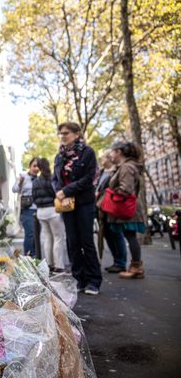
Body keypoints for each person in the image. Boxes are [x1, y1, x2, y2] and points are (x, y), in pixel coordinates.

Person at [53, 122, 102, 295]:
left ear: (76, 134)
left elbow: (89, 178)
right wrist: (59, 191)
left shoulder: (87, 152)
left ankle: (94, 281)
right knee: (72, 242)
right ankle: (79, 279)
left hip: (84, 202)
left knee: (86, 241)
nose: (62, 136)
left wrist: (66, 190)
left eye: (66, 133)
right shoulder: (59, 156)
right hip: (66, 205)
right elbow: (55, 178)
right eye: (60, 133)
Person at [106, 141, 146, 279]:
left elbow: (126, 189)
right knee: (130, 236)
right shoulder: (125, 167)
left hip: (128, 209)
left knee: (131, 236)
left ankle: (136, 268)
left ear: (119, 152)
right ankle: (135, 267)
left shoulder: (127, 167)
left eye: (112, 151)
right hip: (129, 208)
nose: (110, 154)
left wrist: (110, 192)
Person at [32, 158, 68, 273]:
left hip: (40, 212)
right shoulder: (53, 178)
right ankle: (59, 265)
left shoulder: (35, 181)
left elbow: (34, 197)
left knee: (47, 238)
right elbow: (57, 194)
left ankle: (49, 264)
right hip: (53, 210)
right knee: (58, 238)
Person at [96, 150, 127, 273]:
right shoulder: (101, 173)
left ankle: (121, 263)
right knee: (107, 235)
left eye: (103, 158)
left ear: (109, 158)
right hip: (102, 207)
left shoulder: (116, 171)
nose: (101, 161)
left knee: (117, 234)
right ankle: (116, 261)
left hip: (113, 206)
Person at [13, 158, 39, 257]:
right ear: (30, 166)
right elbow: (14, 189)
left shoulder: (39, 179)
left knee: (36, 235)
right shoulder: (23, 176)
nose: (36, 168)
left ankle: (35, 256)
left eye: (38, 166)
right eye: (34, 166)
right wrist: (20, 182)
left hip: (38, 209)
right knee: (30, 234)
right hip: (27, 210)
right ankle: (28, 256)